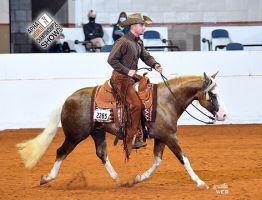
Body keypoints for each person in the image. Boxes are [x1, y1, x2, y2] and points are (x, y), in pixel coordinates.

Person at [107, 13, 163, 152]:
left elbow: (145, 56)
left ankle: (142, 130)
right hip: (120, 78)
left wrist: (155, 64)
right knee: (137, 105)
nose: (144, 27)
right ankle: (131, 137)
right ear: (133, 26)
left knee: (147, 97)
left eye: (143, 25)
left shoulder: (138, 42)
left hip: (131, 77)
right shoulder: (123, 41)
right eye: (141, 25)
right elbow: (111, 60)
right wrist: (127, 71)